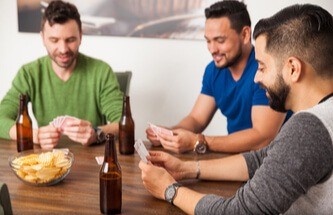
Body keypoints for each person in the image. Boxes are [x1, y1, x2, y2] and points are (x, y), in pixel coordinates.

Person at [139, 3, 333, 214]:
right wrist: (184, 168)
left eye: (263, 67)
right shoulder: (321, 116)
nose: (257, 77)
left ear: (293, 69)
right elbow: (261, 159)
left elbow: (239, 212)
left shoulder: (309, 129)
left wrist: (170, 190)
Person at [146, 0, 288, 154]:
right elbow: (196, 119)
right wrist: (169, 133)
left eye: (220, 40)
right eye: (208, 41)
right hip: (237, 159)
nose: (212, 49)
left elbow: (262, 137)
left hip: (272, 161)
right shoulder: (213, 71)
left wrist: (198, 141)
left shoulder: (265, 71)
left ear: (245, 34)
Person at [0, 1, 123, 149]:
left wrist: (96, 133)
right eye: (54, 40)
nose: (63, 49)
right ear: (43, 38)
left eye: (70, 40)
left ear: (81, 37)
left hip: (91, 160)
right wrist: (34, 135)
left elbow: (123, 123)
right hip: (48, 161)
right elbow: (1, 118)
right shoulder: (29, 73)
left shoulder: (101, 71)